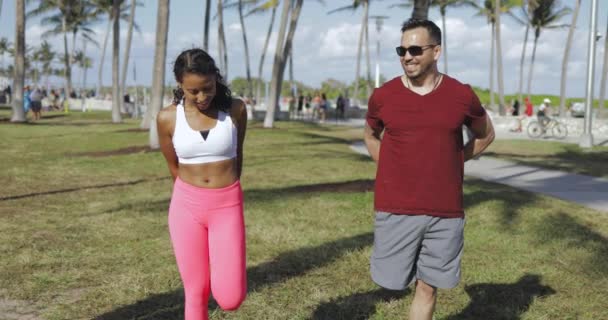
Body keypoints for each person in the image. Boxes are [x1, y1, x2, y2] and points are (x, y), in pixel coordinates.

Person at [363, 19, 495, 320]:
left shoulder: (461, 95)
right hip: (395, 207)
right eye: (401, 49)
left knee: (428, 287)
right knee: (391, 282)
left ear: (436, 51)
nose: (407, 56)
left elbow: (486, 135)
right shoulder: (383, 96)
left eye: (414, 49)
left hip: (445, 211)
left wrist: (451, 161)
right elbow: (370, 135)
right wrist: (389, 167)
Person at [156, 48, 248, 320]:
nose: (202, 97)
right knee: (195, 292)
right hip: (186, 207)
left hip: (227, 205)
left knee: (231, 298)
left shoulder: (236, 110)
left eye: (207, 88)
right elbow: (173, 166)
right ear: (180, 85)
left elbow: (237, 154)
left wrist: (227, 193)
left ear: (216, 79)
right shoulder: (167, 118)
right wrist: (191, 196)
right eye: (192, 91)